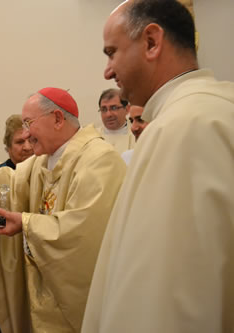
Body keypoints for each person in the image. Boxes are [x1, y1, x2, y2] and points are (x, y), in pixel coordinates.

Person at [82, 1, 234, 332]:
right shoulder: (219, 107)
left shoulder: (179, 129)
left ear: (152, 42)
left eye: (112, 52)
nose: (107, 70)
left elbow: (170, 300)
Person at [0, 88, 127, 333]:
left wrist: (24, 223)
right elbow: (8, 186)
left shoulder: (98, 159)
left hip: (74, 305)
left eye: (28, 123)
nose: (25, 134)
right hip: (43, 296)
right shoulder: (43, 161)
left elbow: (83, 231)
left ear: (56, 118)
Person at [96, 88, 135, 154]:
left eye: (114, 108)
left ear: (127, 109)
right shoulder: (93, 136)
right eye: (104, 109)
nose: (108, 114)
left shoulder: (137, 135)